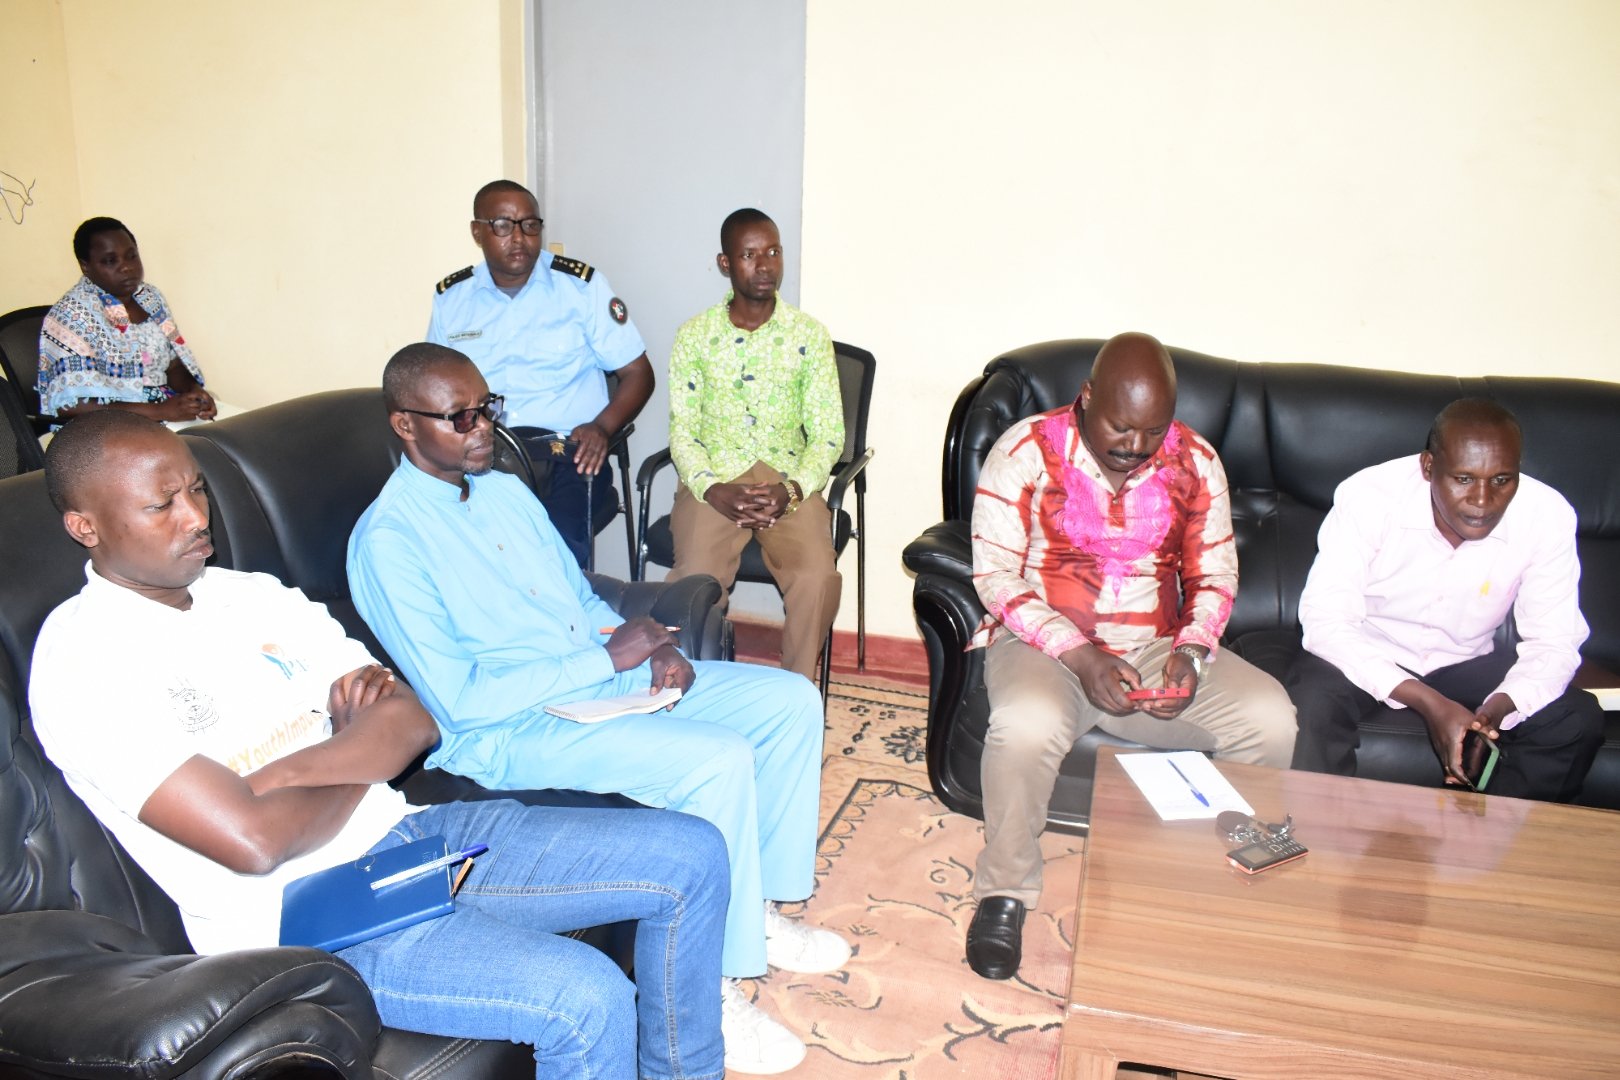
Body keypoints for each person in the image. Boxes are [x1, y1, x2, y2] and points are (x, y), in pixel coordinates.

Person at [28, 411, 730, 1080]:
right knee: (586, 995)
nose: (196, 517)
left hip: (407, 836)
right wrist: (356, 748)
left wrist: (286, 775)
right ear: (85, 526)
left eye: (196, 489)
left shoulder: (250, 595)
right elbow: (254, 843)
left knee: (692, 853)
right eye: (162, 505)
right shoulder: (85, 664)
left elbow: (415, 720)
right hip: (309, 920)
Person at [348, 343, 849, 1075]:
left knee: (789, 701)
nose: (485, 428)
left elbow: (579, 601)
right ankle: (707, 989)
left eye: (488, 408)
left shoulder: (503, 490)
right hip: (511, 729)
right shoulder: (388, 542)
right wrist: (605, 662)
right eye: (461, 417)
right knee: (716, 760)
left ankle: (757, 908)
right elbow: (460, 700)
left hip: (596, 678)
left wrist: (643, 649)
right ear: (404, 425)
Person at [966, 331, 1297, 980]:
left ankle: (1232, 876)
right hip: (1044, 645)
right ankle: (1004, 892)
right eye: (1121, 426)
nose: (1137, 446)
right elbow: (996, 577)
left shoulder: (1195, 460)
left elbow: (1215, 575)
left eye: (1153, 430)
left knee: (1271, 720)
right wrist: (1080, 655)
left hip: (1153, 646)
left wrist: (1191, 655)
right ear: (1087, 397)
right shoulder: (1025, 450)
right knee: (1025, 726)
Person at [1287, 398, 1604, 801]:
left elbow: (1555, 642)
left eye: (1502, 480)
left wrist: (1495, 711)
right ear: (1428, 466)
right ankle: (1320, 837)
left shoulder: (1547, 515)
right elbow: (1327, 621)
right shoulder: (1370, 496)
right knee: (1312, 703)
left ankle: (1494, 838)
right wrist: (1431, 704)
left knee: (1575, 719)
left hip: (1466, 659)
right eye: (1464, 479)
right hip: (1368, 647)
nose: (1483, 500)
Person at [426, 179, 654, 567]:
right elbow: (433, 389)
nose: (519, 238)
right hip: (486, 454)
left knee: (555, 552)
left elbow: (638, 373)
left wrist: (602, 428)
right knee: (465, 547)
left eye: (530, 225)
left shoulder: (582, 287)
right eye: (503, 225)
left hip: (568, 453)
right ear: (477, 232)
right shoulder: (453, 298)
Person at [664, 208, 844, 680]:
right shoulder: (694, 337)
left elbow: (828, 434)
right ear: (725, 263)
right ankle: (697, 687)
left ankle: (795, 693)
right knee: (694, 580)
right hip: (716, 480)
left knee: (816, 578)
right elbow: (683, 431)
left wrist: (793, 490)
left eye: (773, 252)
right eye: (749, 255)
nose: (765, 265)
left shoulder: (809, 336)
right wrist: (711, 488)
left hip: (787, 480)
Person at [38, 217, 229, 426]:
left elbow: (172, 365)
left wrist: (194, 392)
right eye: (110, 261)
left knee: (230, 432)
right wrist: (159, 410)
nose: (126, 267)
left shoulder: (151, 298)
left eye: (131, 256)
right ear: (86, 266)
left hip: (163, 409)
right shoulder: (72, 314)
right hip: (105, 426)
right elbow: (69, 406)